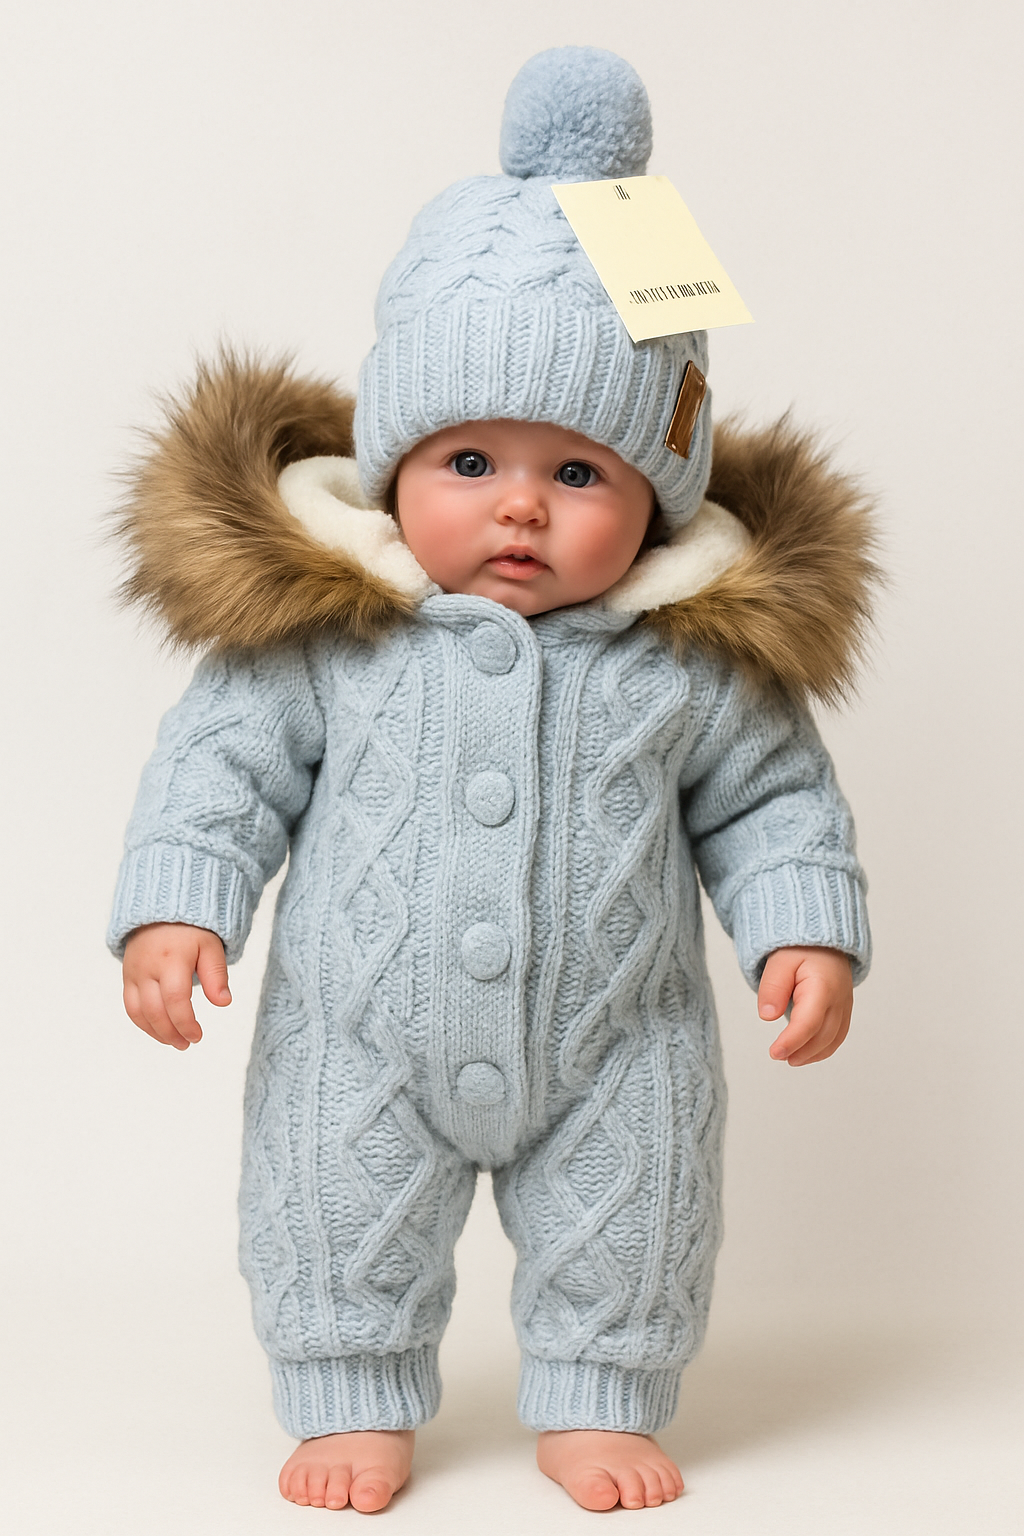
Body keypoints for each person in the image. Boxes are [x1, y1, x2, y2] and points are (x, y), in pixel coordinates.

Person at [109, 46, 877, 1514]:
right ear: (392, 466)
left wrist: (804, 928)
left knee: (636, 1216)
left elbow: (773, 797)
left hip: (618, 1037)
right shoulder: (331, 629)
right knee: (330, 1201)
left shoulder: (686, 655)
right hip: (360, 1028)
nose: (521, 505)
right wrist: (180, 902)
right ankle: (348, 1385)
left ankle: (602, 1389)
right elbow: (219, 761)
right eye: (469, 459)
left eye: (579, 475)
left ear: (658, 495)